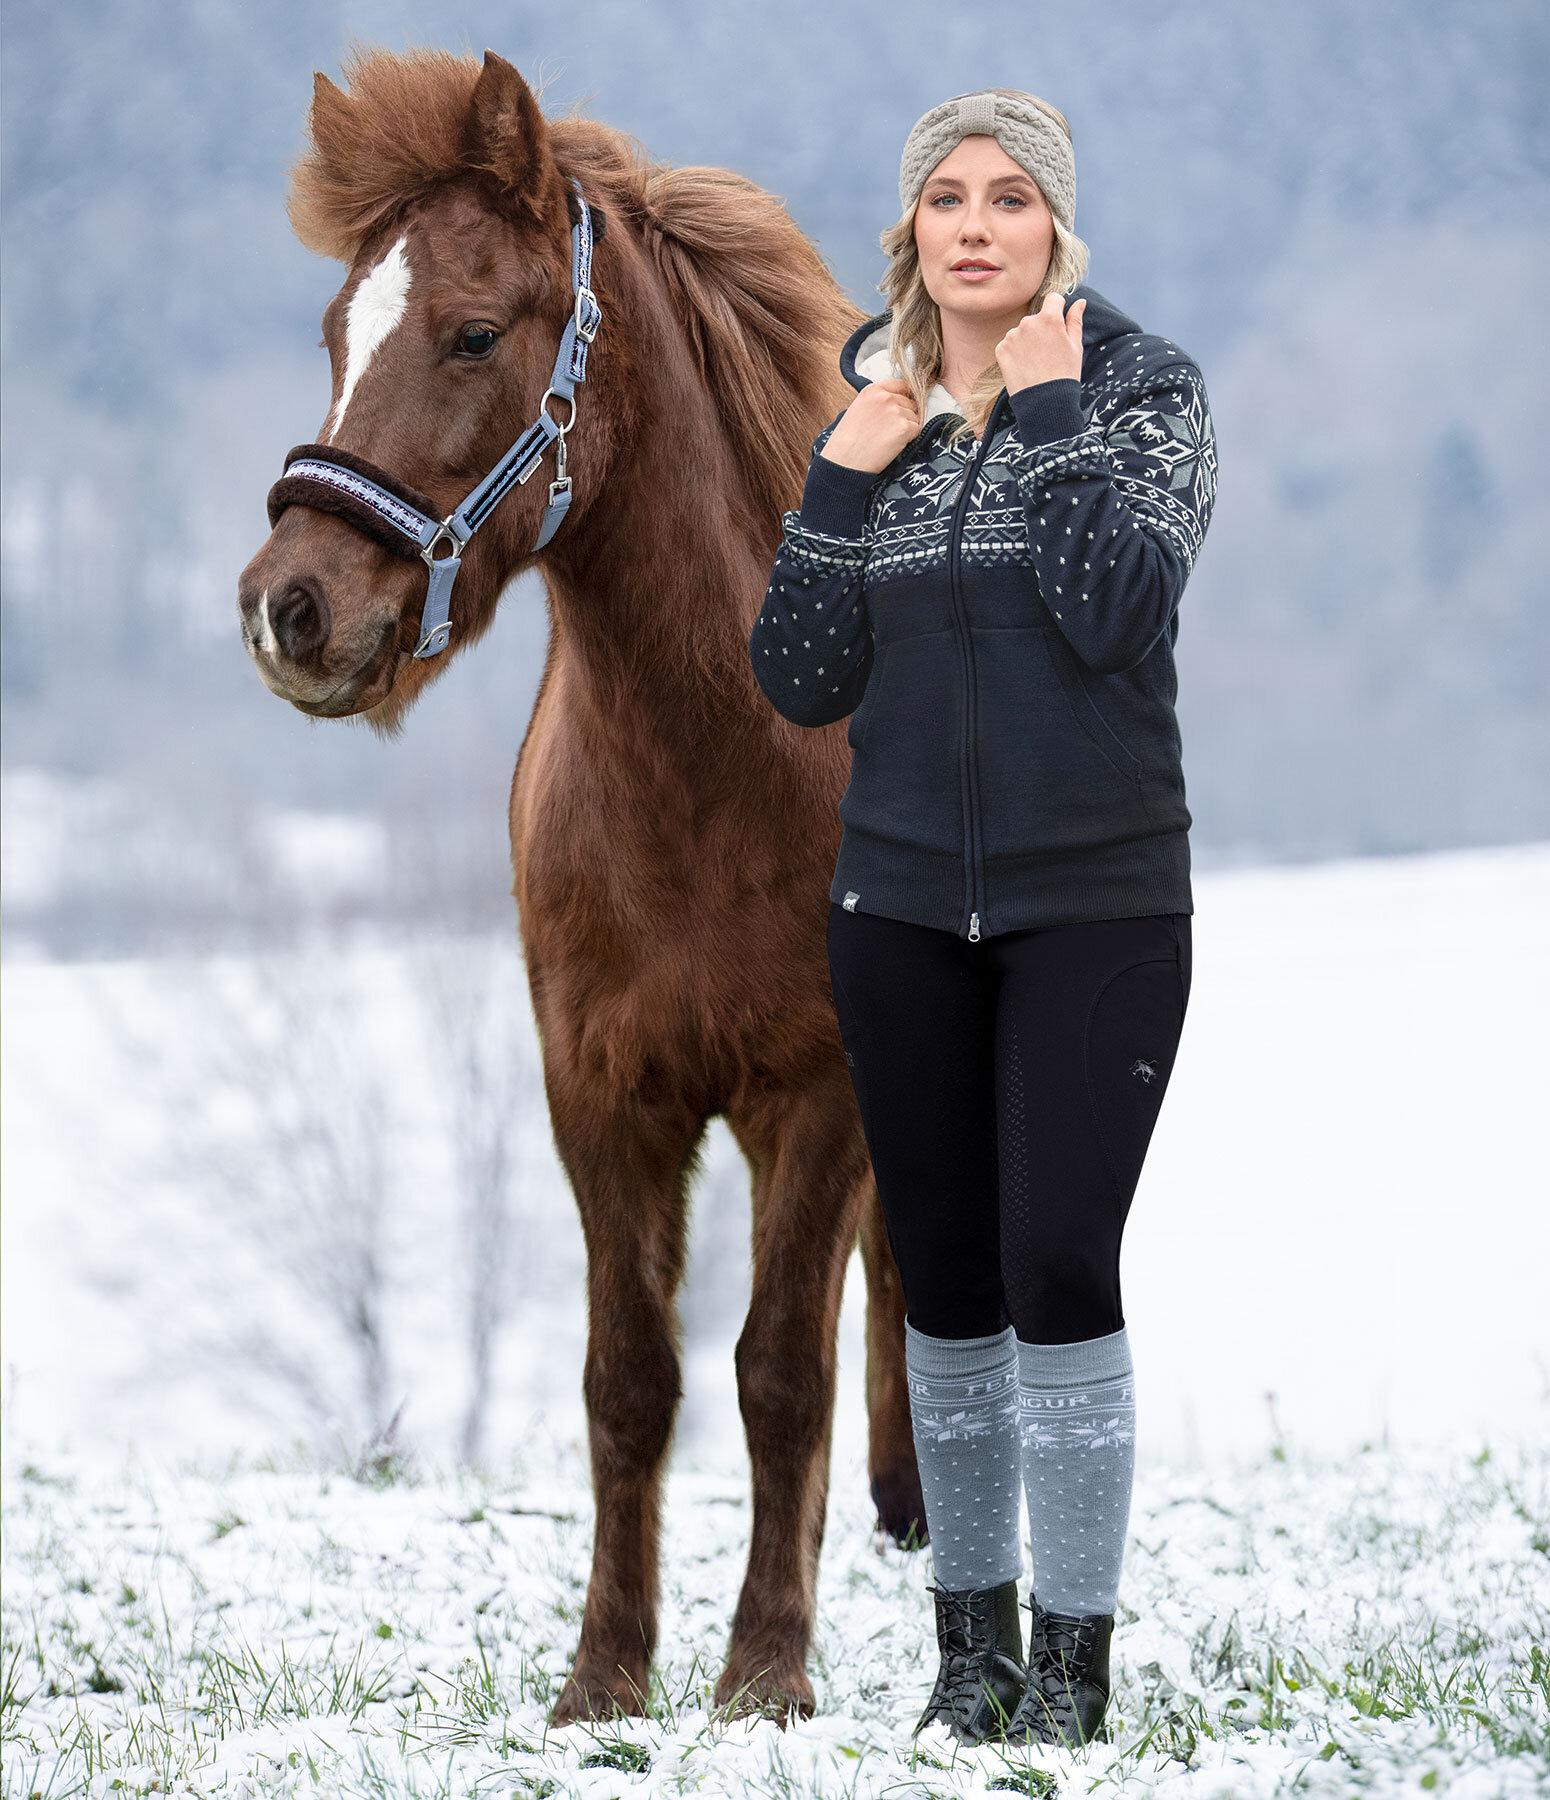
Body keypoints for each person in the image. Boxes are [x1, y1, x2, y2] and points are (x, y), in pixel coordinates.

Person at [748, 89, 1218, 1748]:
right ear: (910, 231)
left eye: (1009, 198)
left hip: (1094, 901)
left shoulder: (1140, 388)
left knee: (1054, 1259)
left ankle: (1071, 1674)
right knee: (941, 1277)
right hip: (893, 908)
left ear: (1053, 233)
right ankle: (972, 1660)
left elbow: (1116, 609)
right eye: (945, 196)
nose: (973, 223)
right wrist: (830, 482)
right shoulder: (867, 406)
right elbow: (799, 678)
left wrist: (1044, 415)